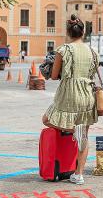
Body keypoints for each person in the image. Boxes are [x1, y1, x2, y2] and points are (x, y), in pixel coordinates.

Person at [42, 14, 99, 185]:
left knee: (46, 119)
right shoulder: (92, 51)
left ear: (68, 33)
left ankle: (72, 130)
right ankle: (79, 174)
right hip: (87, 94)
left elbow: (53, 76)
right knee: (84, 136)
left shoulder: (63, 50)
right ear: (83, 33)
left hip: (69, 94)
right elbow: (93, 72)